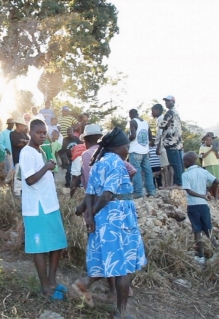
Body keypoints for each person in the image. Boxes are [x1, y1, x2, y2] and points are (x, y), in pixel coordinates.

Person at [72, 127, 146, 318]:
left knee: (109, 258)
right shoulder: (116, 163)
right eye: (126, 147)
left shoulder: (99, 162)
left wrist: (90, 215)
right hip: (118, 217)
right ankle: (121, 313)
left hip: (105, 217)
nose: (127, 150)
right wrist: (93, 213)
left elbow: (90, 193)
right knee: (124, 268)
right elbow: (106, 195)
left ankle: (85, 283)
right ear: (118, 147)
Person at [19, 119, 67, 299]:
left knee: (58, 242)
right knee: (39, 247)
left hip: (49, 204)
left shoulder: (39, 151)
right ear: (30, 132)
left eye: (44, 133)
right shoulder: (27, 153)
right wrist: (47, 167)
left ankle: (53, 281)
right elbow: (30, 180)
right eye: (38, 132)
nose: (41, 135)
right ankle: (46, 288)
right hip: (36, 206)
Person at [182, 151, 219, 265]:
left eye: (184, 161)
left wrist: (201, 195)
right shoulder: (203, 172)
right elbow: (216, 181)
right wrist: (207, 192)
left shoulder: (186, 174)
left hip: (193, 206)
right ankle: (217, 249)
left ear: (188, 161)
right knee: (208, 229)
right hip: (203, 205)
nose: (183, 163)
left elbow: (188, 190)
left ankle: (201, 256)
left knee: (197, 230)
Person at [128, 109, 155, 198]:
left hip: (135, 150)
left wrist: (126, 140)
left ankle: (138, 192)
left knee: (136, 171)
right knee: (148, 171)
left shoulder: (133, 121)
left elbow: (133, 136)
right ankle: (151, 191)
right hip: (145, 150)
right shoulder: (145, 122)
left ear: (131, 114)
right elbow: (150, 137)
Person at [70, 124, 103, 197]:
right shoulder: (106, 151)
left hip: (96, 195)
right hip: (107, 193)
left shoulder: (87, 154)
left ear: (85, 141)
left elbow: (89, 181)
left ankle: (71, 197)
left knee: (74, 178)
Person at [158, 95, 183, 189]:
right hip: (177, 141)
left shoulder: (170, 112)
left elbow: (161, 125)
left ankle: (178, 183)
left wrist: (166, 124)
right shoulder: (176, 112)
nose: (167, 103)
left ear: (173, 101)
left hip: (171, 141)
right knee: (179, 163)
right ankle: (180, 182)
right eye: (166, 101)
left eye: (168, 101)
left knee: (174, 163)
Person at [151, 104, 172, 188]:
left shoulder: (161, 119)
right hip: (166, 144)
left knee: (165, 166)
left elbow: (161, 134)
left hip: (162, 145)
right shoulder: (162, 118)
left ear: (157, 110)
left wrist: (158, 147)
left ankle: (167, 184)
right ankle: (169, 183)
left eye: (153, 111)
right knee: (167, 166)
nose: (152, 113)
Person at [10, 117, 29, 197]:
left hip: (25, 157)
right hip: (17, 156)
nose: (24, 127)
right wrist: (24, 142)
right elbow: (17, 144)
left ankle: (22, 190)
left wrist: (24, 142)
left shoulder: (23, 134)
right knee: (18, 174)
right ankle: (17, 191)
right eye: (23, 126)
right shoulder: (12, 134)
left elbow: (29, 142)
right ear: (18, 125)